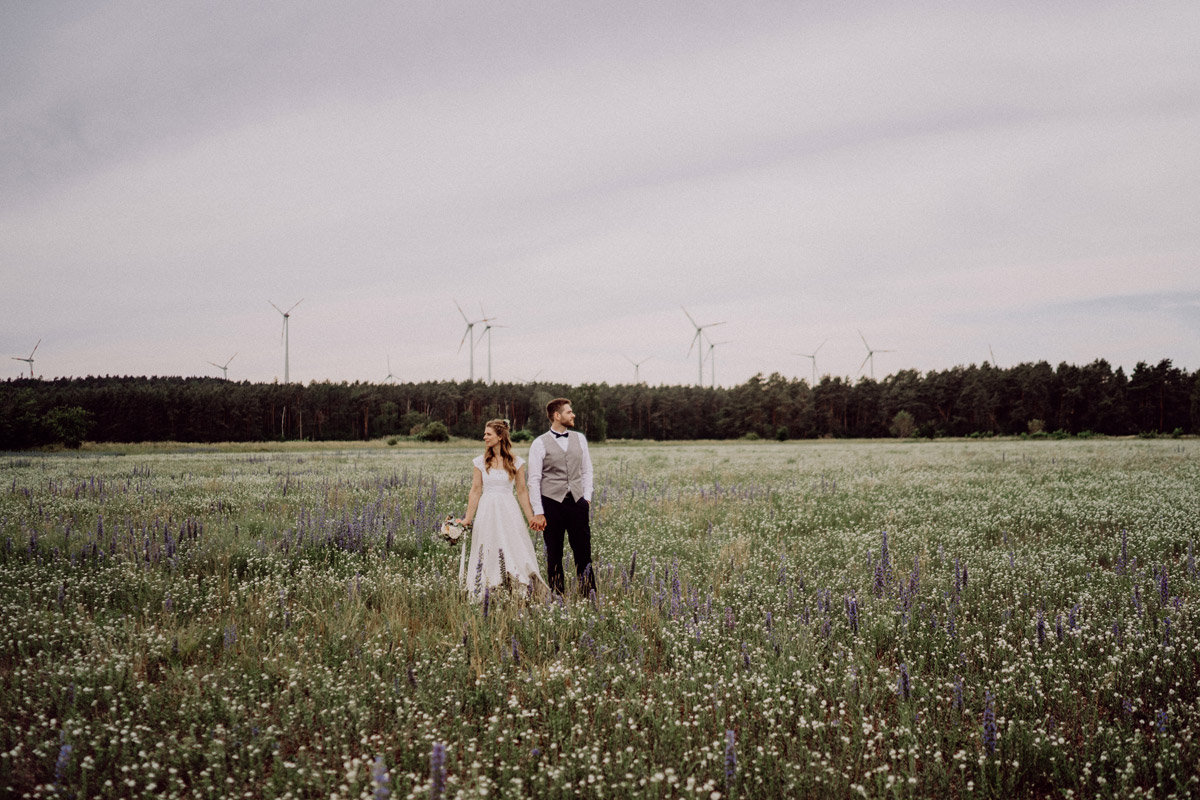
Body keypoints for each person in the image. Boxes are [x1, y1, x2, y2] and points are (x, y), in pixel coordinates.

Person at [459, 419, 546, 599]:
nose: (484, 437)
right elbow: (475, 491)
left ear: (500, 437)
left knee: (513, 547)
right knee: (487, 545)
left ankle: (517, 588)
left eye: (488, 434)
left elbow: (522, 491)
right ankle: (487, 588)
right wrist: (467, 518)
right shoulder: (480, 462)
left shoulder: (516, 462)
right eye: (485, 434)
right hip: (487, 510)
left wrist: (531, 517)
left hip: (508, 510)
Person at [528, 398, 596, 596]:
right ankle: (558, 598)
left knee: (584, 553)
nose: (573, 415)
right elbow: (534, 479)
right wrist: (539, 511)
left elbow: (587, 471)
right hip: (552, 505)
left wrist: (587, 498)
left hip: (577, 502)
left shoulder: (580, 439)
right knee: (554, 555)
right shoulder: (539, 443)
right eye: (569, 412)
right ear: (557, 416)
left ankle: (588, 596)